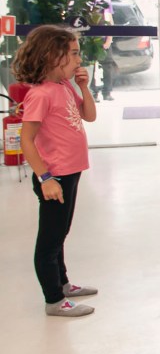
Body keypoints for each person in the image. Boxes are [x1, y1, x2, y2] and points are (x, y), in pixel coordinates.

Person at [13, 25, 99, 317]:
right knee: (49, 242)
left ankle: (63, 284)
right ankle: (54, 300)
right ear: (52, 56)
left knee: (61, 233)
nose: (79, 59)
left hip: (71, 171)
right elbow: (27, 140)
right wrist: (46, 178)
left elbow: (89, 116)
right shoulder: (40, 95)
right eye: (73, 54)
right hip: (55, 176)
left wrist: (84, 87)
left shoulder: (64, 86)